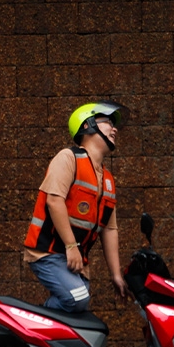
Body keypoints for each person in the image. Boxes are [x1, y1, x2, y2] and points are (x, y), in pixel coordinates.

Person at [23, 101, 130, 313]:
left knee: (78, 309)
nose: (114, 128)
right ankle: (27, 327)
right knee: (77, 299)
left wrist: (116, 275)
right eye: (108, 122)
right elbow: (54, 201)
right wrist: (72, 247)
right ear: (87, 125)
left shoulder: (107, 179)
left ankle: (42, 344)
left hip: (74, 259)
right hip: (48, 252)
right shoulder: (68, 158)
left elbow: (109, 229)